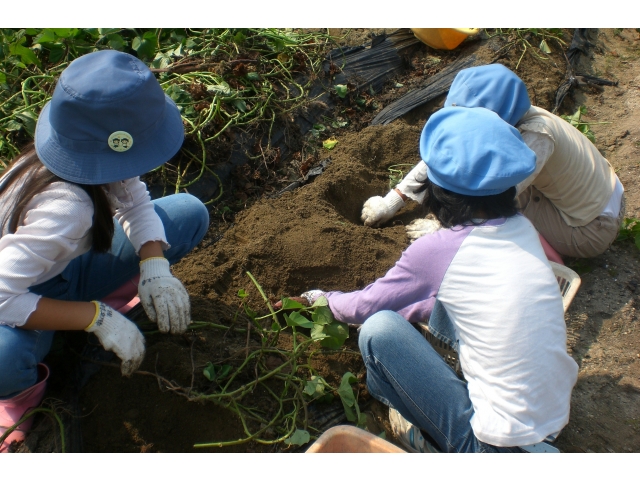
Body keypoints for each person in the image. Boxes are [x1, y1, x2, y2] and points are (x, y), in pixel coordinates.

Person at [295, 107, 579, 452]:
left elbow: (363, 306)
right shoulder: (523, 228)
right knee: (442, 302)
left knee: (378, 329)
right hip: (549, 420)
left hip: (492, 447)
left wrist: (317, 298)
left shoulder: (438, 251)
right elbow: (442, 299)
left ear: (436, 189)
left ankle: (429, 438)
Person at [0, 50, 209, 452]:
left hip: (64, 269)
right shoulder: (67, 209)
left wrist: (154, 264)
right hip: (22, 296)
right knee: (4, 361)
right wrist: (95, 318)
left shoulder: (87, 155)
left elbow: (132, 198)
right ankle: (19, 396)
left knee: (187, 212)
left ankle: (104, 297)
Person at [361, 63, 625, 259]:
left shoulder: (536, 136)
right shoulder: (512, 115)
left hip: (590, 228)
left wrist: (444, 227)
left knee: (494, 202)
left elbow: (491, 195)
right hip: (589, 198)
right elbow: (444, 152)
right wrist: (392, 201)